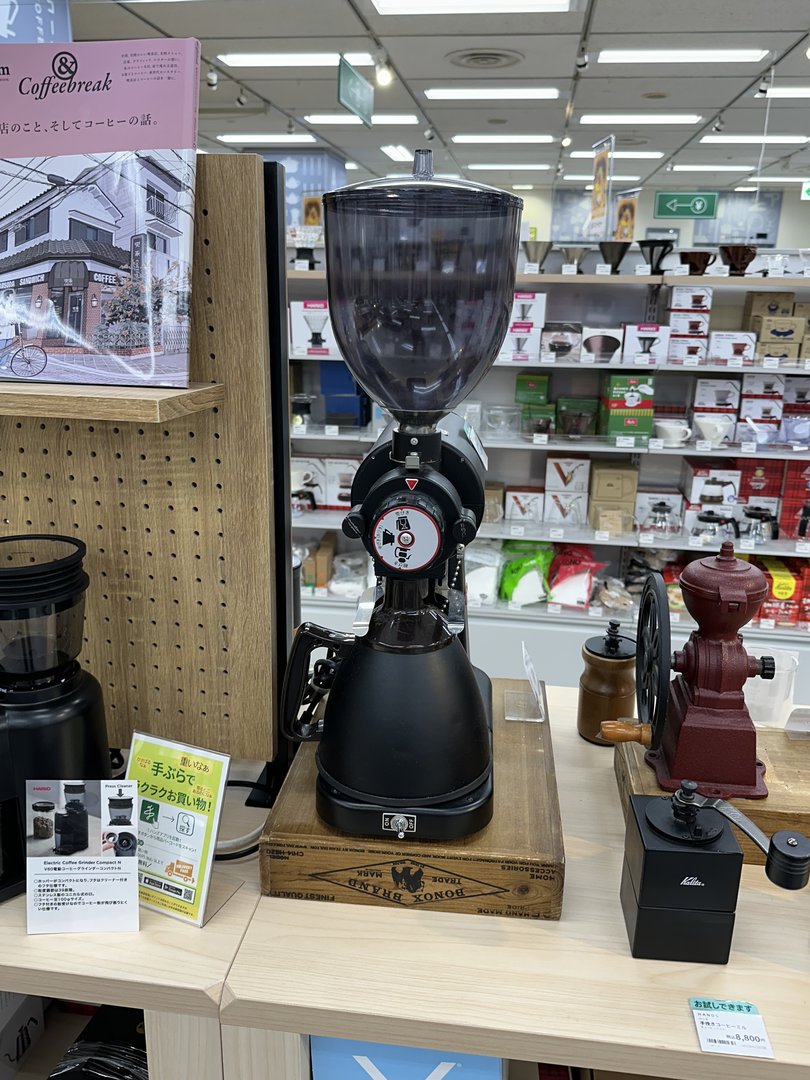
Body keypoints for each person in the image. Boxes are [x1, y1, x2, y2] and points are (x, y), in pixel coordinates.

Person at [0, 289, 18, 372]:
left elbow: (15, 317)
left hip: (10, 331)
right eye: (12, 295)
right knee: (2, 348)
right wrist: (9, 321)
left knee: (7, 349)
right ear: (7, 297)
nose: (13, 297)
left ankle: (2, 363)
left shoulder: (12, 306)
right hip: (3, 331)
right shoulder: (1, 306)